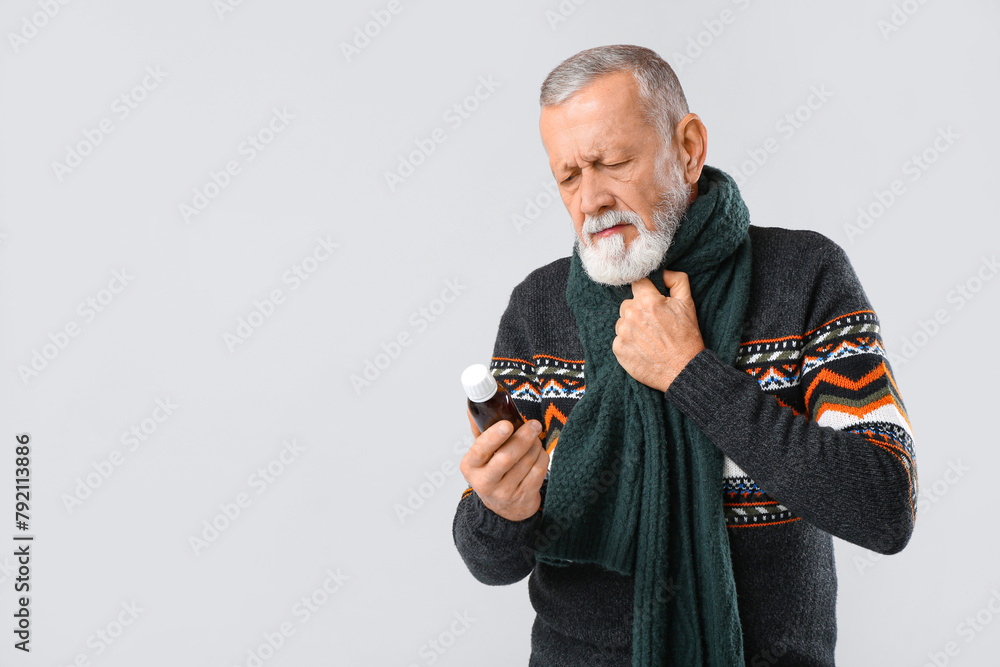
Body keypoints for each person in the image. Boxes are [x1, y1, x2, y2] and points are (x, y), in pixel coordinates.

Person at [451, 44, 917, 667]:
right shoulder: (539, 306)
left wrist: (690, 373)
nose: (589, 200)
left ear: (690, 149)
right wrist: (499, 510)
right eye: (567, 176)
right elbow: (490, 564)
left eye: (611, 162)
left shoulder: (804, 274)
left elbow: (884, 505)